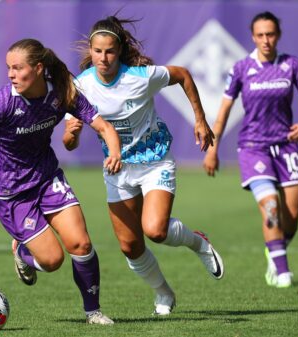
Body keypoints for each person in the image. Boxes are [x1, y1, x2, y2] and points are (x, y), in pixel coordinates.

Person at [0, 38, 122, 325]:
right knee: (52, 261)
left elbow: (103, 126)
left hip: (46, 177)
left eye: (17, 68)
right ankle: (21, 249)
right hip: (10, 192)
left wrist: (114, 152)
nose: (11, 75)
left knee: (80, 243)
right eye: (8, 68)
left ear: (39, 68)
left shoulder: (62, 93)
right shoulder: (1, 102)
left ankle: (93, 312)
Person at [63, 16, 224, 316]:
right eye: (98, 51)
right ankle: (163, 293)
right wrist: (71, 134)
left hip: (155, 160)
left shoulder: (140, 76)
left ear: (119, 50)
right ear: (91, 51)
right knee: (130, 246)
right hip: (117, 170)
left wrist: (200, 120)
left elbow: (184, 75)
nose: (103, 58)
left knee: (156, 230)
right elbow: (68, 143)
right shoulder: (80, 86)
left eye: (110, 51)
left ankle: (198, 242)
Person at [203, 11, 298, 288]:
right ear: (253, 37)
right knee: (270, 207)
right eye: (260, 35)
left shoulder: (292, 64)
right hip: (253, 148)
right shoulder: (242, 68)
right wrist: (212, 148)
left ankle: (274, 248)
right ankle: (282, 273)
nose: (266, 40)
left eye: (270, 34)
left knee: (290, 220)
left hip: (287, 147)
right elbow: (223, 113)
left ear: (277, 35)